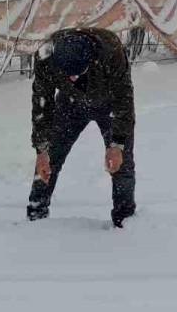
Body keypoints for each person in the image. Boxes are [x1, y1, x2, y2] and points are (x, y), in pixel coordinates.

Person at [26, 27, 136, 227]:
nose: (73, 79)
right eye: (68, 75)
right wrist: (41, 149)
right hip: (70, 104)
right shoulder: (45, 57)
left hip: (109, 104)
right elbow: (42, 104)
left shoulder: (110, 49)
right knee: (50, 158)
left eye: (78, 73)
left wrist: (118, 144)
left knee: (122, 163)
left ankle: (125, 219)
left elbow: (124, 98)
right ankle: (35, 214)